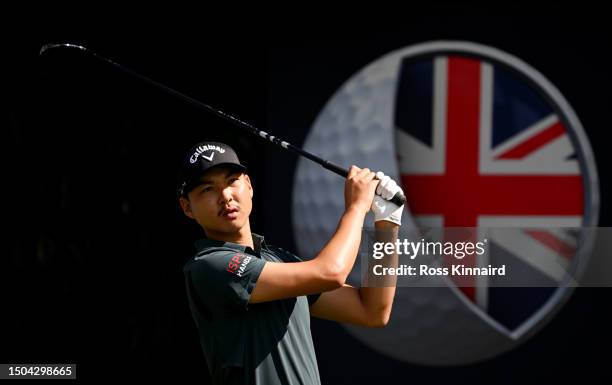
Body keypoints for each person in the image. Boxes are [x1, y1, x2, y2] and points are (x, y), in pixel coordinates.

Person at [178, 141, 403, 385]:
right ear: (187, 207)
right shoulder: (209, 266)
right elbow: (332, 272)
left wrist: (387, 224)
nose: (225, 196)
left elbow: (372, 311)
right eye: (207, 190)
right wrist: (357, 207)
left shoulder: (278, 260)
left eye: (232, 181)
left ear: (249, 186)